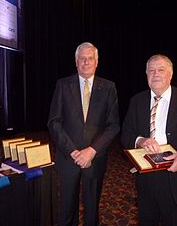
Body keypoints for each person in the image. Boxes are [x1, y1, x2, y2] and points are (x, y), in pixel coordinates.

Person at [121, 54, 177, 226]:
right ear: (146, 75)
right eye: (151, 70)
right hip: (146, 177)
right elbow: (126, 134)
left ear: (171, 74)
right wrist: (141, 140)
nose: (156, 74)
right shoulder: (137, 101)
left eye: (161, 69)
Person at [47, 42, 120, 226]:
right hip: (68, 157)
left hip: (95, 158)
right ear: (76, 62)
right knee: (66, 211)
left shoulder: (109, 87)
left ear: (96, 62)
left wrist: (92, 150)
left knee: (92, 211)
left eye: (90, 59)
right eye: (82, 59)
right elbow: (54, 122)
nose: (86, 62)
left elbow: (113, 125)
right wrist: (72, 151)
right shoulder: (63, 85)